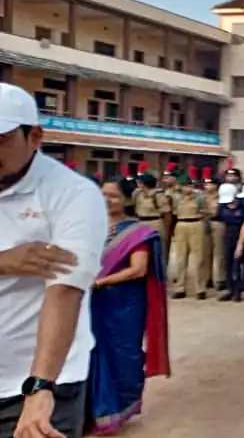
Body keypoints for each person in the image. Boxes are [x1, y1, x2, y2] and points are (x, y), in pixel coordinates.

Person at [0, 83, 108, 438]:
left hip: (32, 384)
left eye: (0, 139)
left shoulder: (72, 195)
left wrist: (39, 386)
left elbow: (64, 292)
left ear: (35, 136)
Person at [85, 178, 171, 434]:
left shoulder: (137, 232)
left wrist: (101, 281)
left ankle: (121, 406)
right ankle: (100, 411)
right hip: (94, 301)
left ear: (126, 199)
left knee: (124, 355)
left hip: (124, 304)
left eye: (113, 195)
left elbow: (139, 269)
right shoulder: (91, 227)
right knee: (94, 352)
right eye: (103, 195)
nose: (107, 200)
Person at [170, 168, 213, 300]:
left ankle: (200, 288)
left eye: (187, 185)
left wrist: (202, 221)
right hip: (181, 224)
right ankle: (180, 287)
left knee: (199, 257)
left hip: (196, 223)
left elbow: (208, 212)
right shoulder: (176, 198)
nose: (185, 188)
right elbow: (172, 212)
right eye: (183, 186)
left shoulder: (199, 197)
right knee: (180, 258)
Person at [216, 184, 244, 302]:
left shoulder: (243, 205)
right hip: (227, 235)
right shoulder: (222, 206)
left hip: (240, 235)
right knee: (227, 263)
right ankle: (230, 288)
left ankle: (238, 290)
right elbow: (219, 218)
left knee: (237, 264)